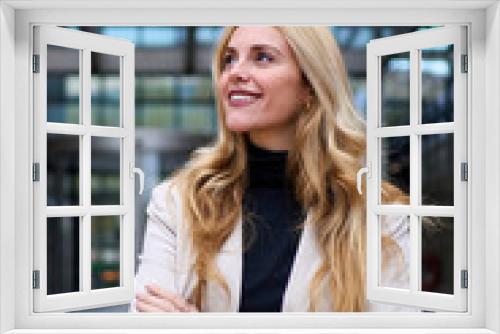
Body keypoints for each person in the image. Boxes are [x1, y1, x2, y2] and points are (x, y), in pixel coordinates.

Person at [130, 26, 412, 313]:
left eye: (262, 57)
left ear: (310, 86)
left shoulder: (379, 215)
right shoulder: (177, 202)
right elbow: (144, 319)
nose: (235, 72)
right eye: (229, 59)